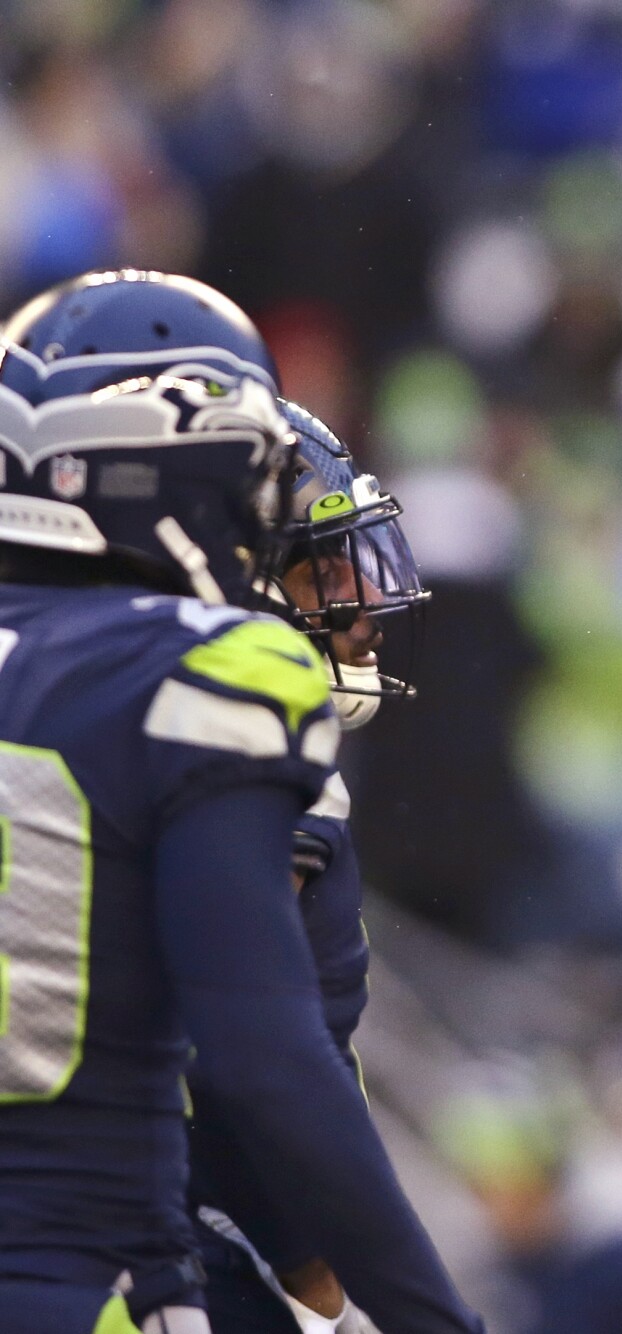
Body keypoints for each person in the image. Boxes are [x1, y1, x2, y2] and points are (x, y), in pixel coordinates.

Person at [0, 270, 482, 1334]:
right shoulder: (194, 684)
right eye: (256, 503)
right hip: (93, 1260)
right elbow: (260, 1071)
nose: (265, 542)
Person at [186, 400, 432, 1333]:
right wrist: (325, 1273)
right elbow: (241, 1053)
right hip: (185, 1231)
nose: (360, 605)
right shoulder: (240, 754)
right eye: (319, 567)